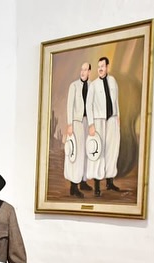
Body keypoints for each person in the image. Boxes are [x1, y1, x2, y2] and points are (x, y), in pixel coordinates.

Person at [86, 56, 120, 197]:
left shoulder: (113, 81)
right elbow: (89, 105)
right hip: (98, 121)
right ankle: (97, 186)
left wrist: (118, 116)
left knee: (112, 149)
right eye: (98, 66)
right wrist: (91, 124)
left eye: (102, 66)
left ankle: (110, 182)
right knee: (98, 152)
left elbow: (116, 100)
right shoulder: (93, 85)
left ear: (107, 67)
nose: (100, 69)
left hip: (112, 119)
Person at [64, 62, 92, 198]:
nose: (82, 72)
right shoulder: (74, 86)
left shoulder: (92, 85)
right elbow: (70, 105)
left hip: (88, 122)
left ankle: (83, 181)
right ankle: (73, 185)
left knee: (86, 152)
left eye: (85, 70)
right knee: (76, 152)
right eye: (81, 69)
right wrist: (70, 124)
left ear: (89, 72)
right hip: (76, 122)